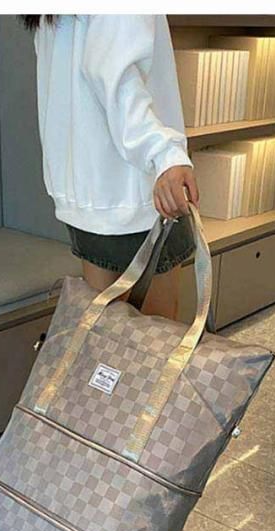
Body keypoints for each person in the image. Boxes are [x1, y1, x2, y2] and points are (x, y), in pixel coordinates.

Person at [24, 14, 200, 319]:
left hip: (87, 192)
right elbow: (116, 80)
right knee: (158, 339)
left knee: (107, 335)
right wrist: (164, 154)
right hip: (135, 190)